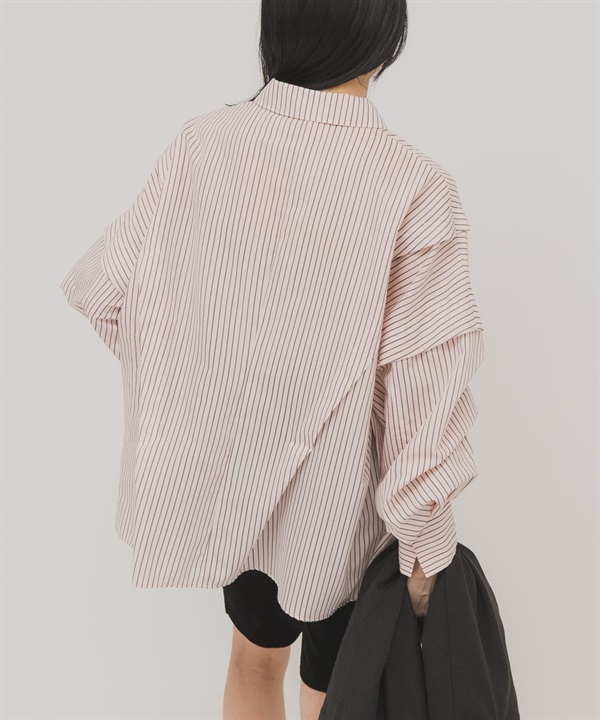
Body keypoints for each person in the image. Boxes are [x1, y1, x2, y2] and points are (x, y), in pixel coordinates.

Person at [59, 1, 486, 718]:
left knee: (253, 663)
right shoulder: (413, 184)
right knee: (334, 692)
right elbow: (421, 389)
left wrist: (198, 385)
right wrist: (425, 553)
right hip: (342, 511)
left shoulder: (204, 143)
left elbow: (105, 291)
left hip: (237, 491)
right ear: (386, 37)